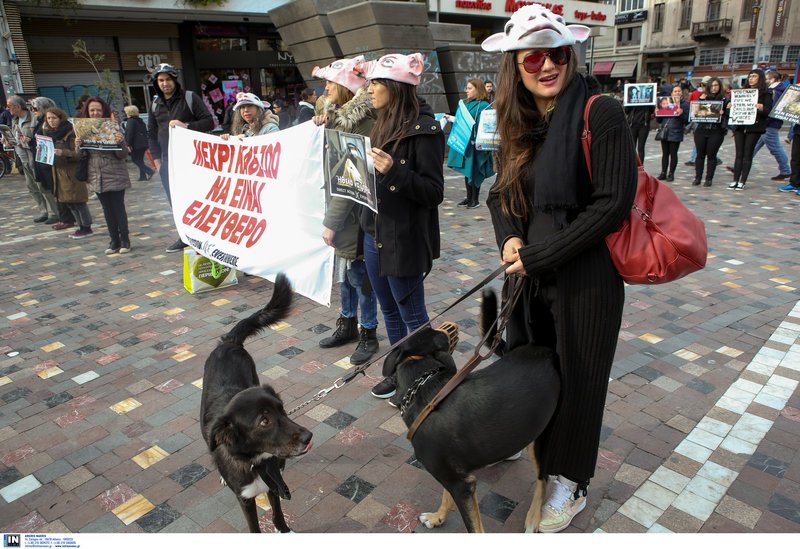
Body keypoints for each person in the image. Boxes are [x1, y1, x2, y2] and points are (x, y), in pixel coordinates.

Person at [481, 5, 637, 533]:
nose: (546, 66)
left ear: (571, 55)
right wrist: (510, 238)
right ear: (515, 66)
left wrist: (540, 255)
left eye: (557, 54)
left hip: (585, 279)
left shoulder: (601, 112)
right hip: (528, 277)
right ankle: (527, 439)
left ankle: (570, 480)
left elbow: (612, 204)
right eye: (533, 58)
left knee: (579, 382)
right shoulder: (520, 121)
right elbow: (499, 194)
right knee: (529, 369)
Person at [353, 52, 445, 399]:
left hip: (403, 238)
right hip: (373, 232)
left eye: (375, 83)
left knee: (412, 314)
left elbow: (433, 192)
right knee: (388, 309)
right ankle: (400, 373)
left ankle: (427, 380)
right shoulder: (381, 121)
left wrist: (394, 171)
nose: (369, 89)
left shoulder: (425, 129)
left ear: (395, 86)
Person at [311, 56, 380, 366]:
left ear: (345, 88)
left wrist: (331, 221)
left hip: (355, 216)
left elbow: (351, 175)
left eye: (331, 83)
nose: (326, 88)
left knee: (359, 276)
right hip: (344, 214)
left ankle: (368, 332)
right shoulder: (336, 118)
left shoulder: (362, 123)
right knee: (345, 274)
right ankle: (348, 323)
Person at [147, 62, 214, 253]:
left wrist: (187, 126)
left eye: (168, 79)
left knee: (196, 199)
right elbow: (151, 134)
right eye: (161, 80)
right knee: (175, 202)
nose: (165, 83)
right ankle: (185, 236)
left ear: (174, 80)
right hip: (167, 162)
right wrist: (157, 162)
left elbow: (209, 122)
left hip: (191, 161)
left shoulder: (189, 98)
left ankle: (204, 236)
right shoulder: (155, 103)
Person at [75, 97, 132, 253]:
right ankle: (114, 240)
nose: (95, 113)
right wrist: (78, 146)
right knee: (107, 209)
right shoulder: (83, 129)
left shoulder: (113, 127)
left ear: (104, 111)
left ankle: (125, 240)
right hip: (95, 173)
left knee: (118, 207)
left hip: (115, 172)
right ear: (87, 111)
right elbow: (80, 156)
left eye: (98, 110)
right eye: (92, 110)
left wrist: (121, 142)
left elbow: (122, 155)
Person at [4, 95, 59, 223]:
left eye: (9, 106)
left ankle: (53, 212)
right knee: (31, 186)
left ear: (18, 106)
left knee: (42, 185)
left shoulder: (34, 118)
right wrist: (9, 140)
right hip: (22, 156)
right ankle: (44, 211)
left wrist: (29, 140)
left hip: (33, 155)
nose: (7, 108)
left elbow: (40, 137)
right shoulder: (14, 120)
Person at [41, 107, 94, 239]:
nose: (51, 121)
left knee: (78, 201)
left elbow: (78, 154)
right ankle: (80, 226)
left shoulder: (70, 132)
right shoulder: (50, 133)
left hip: (72, 173)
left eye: (54, 118)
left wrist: (62, 152)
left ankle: (86, 227)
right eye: (48, 118)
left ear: (61, 118)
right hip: (59, 173)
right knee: (69, 202)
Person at [447, 79, 495, 208]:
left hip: (476, 144)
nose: (466, 91)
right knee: (467, 170)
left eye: (469, 88)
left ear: (477, 90)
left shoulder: (484, 105)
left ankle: (475, 199)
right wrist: (451, 119)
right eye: (466, 88)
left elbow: (485, 124)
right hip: (465, 143)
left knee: (475, 170)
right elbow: (461, 121)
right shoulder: (465, 103)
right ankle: (469, 198)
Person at [728, 69, 772, 191]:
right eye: (750, 76)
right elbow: (730, 110)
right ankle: (735, 180)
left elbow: (768, 111)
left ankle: (742, 181)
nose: (751, 79)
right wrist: (730, 107)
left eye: (754, 76)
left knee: (748, 154)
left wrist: (761, 108)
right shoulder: (742, 92)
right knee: (739, 154)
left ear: (760, 78)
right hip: (740, 125)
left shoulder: (765, 93)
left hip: (754, 127)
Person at [29, 97, 61, 226]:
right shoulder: (39, 122)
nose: (33, 111)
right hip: (40, 159)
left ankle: (58, 213)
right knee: (43, 187)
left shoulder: (47, 123)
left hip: (48, 160)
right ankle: (53, 212)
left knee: (51, 187)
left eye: (35, 108)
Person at [754, 71, 791, 183]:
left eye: (766, 79)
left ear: (772, 79)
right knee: (753, 146)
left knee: (775, 148)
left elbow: (772, 108)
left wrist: (765, 119)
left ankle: (785, 170)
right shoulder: (778, 90)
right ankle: (740, 166)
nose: (764, 81)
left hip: (770, 123)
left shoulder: (775, 91)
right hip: (770, 123)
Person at [692, 77, 728, 187]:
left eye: (716, 85)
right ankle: (698, 177)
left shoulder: (724, 99)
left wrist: (724, 112)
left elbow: (728, 116)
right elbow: (695, 113)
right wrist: (700, 101)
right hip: (702, 129)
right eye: (712, 85)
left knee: (712, 155)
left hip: (716, 130)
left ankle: (709, 178)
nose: (714, 88)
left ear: (720, 87)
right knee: (700, 155)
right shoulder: (703, 97)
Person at [656, 85, 689, 181]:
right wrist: (657, 112)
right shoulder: (665, 102)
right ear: (671, 93)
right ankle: (663, 172)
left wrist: (680, 114)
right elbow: (659, 120)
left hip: (676, 131)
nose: (677, 93)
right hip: (665, 131)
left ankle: (671, 173)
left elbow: (686, 120)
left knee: (673, 153)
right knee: (665, 153)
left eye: (679, 91)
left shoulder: (684, 104)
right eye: (675, 91)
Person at [123, 105, 154, 181]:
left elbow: (130, 133)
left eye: (126, 112)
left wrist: (128, 144)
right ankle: (142, 176)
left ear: (129, 112)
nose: (125, 113)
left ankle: (149, 171)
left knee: (135, 160)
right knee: (140, 160)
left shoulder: (131, 121)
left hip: (136, 144)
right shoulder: (140, 120)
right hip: (143, 143)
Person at [625, 96, 653, 162]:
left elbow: (651, 110)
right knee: (632, 147)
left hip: (644, 124)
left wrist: (651, 102)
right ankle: (631, 164)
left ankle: (640, 165)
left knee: (641, 147)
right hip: (633, 124)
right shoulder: (632, 97)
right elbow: (627, 111)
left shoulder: (647, 98)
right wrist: (628, 103)